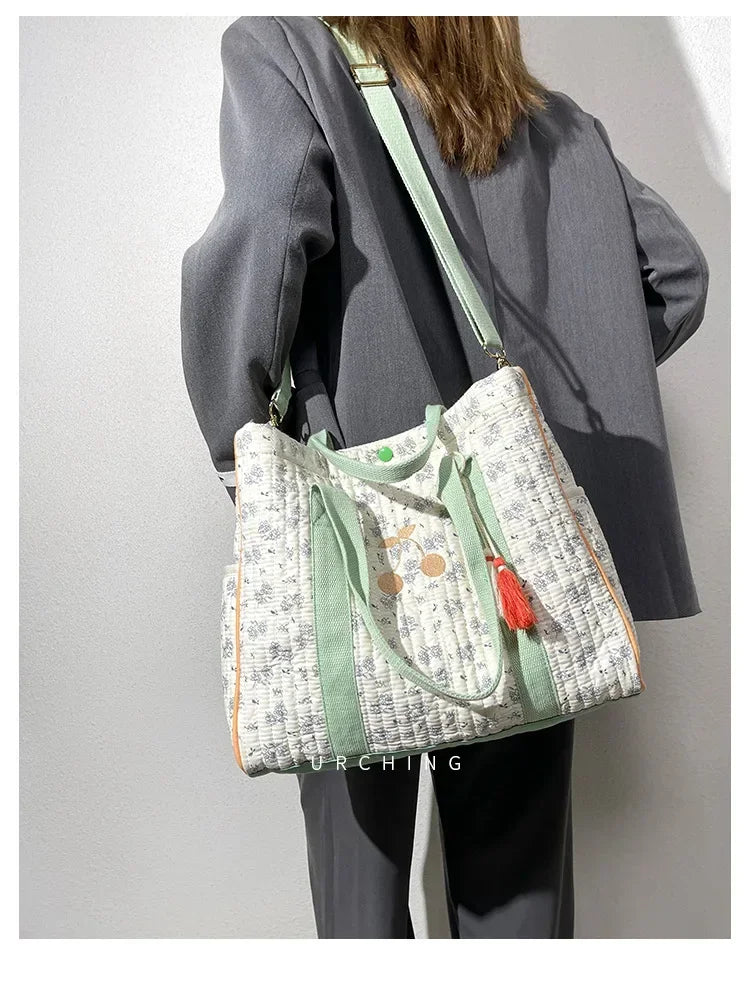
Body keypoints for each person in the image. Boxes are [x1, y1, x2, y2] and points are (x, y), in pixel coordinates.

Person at [181, 16, 708, 938]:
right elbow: (675, 274)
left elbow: (266, 220)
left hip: (351, 537)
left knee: (360, 904)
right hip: (520, 563)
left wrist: (243, 440)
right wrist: (529, 431)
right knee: (519, 902)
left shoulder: (288, 49)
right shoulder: (551, 123)